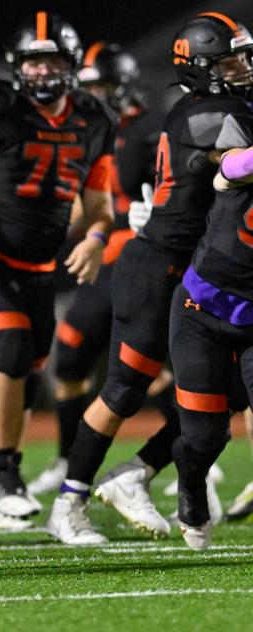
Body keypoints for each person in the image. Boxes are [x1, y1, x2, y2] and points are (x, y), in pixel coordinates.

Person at [46, 12, 253, 544]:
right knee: (123, 389)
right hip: (157, 265)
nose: (244, 67)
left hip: (188, 265)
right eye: (232, 59)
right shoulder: (211, 112)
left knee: (220, 396)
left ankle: (136, 472)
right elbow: (236, 162)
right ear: (204, 69)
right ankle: (70, 500)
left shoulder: (208, 107)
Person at [0, 11, 115, 530]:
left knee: (32, 370)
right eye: (33, 63)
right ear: (17, 67)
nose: (42, 73)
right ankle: (0, 475)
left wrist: (98, 239)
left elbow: (98, 204)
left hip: (38, 263)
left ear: (72, 65)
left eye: (52, 61)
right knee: (10, 347)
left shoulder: (93, 119)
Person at [28, 42, 167, 496]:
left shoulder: (151, 129)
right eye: (88, 87)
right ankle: (69, 456)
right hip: (102, 252)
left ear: (124, 86)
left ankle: (184, 452)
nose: (94, 95)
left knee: (140, 364)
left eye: (103, 87)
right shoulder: (84, 132)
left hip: (140, 251)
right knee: (77, 357)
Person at [168, 111, 253, 549]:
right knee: (204, 435)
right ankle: (191, 484)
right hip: (201, 310)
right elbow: (233, 167)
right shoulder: (240, 146)